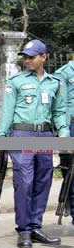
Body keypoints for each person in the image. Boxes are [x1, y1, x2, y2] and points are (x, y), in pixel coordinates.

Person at [0, 39, 70, 248]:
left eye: (31, 57)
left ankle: (35, 226)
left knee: (43, 180)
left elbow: (59, 112)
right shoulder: (16, 81)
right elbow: (7, 111)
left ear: (44, 57)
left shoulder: (54, 83)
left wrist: (63, 132)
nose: (27, 60)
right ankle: (24, 230)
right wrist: (1, 137)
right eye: (25, 57)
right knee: (25, 181)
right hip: (22, 135)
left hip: (44, 136)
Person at [54, 57, 74, 225]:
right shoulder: (63, 74)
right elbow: (60, 106)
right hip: (70, 126)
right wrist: (64, 132)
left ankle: (67, 198)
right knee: (70, 171)